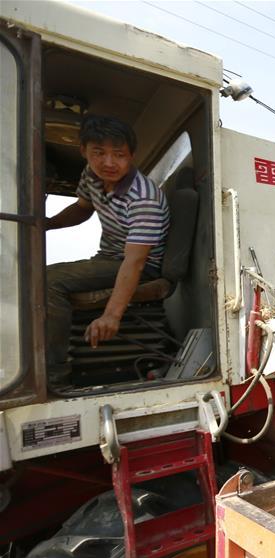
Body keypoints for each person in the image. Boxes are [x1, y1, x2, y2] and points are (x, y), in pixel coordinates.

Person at [45, 115, 169, 387]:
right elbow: (81, 209)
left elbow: (135, 261)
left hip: (140, 265)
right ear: (84, 151)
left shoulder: (143, 197)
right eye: (98, 153)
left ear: (132, 155)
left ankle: (53, 375)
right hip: (108, 258)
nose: (109, 163)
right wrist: (45, 225)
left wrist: (112, 315)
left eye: (119, 155)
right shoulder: (91, 175)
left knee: (48, 281)